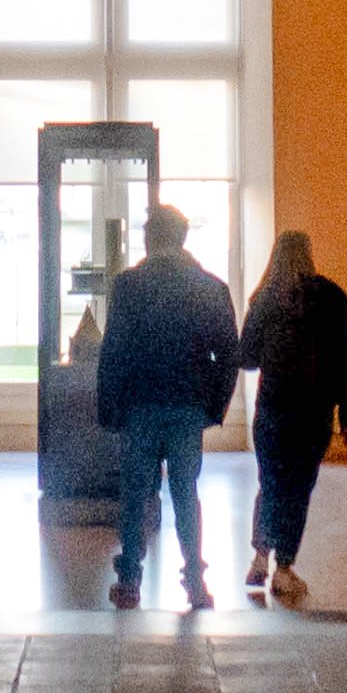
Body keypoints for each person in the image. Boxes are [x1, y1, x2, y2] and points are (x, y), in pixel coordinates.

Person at [93, 203, 241, 608]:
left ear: (149, 237)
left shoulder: (128, 286)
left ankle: (129, 580)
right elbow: (229, 354)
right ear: (182, 237)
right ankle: (195, 579)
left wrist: (109, 406)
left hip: (139, 404)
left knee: (136, 492)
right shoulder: (210, 287)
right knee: (185, 492)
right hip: (188, 405)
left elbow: (115, 351)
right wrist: (214, 404)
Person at [235, 232, 347, 604]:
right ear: (309, 254)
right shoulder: (330, 297)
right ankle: (284, 568)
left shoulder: (264, 298)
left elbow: (247, 357)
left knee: (270, 482)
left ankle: (259, 555)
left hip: (272, 406)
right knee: (298, 489)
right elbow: (340, 360)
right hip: (313, 410)